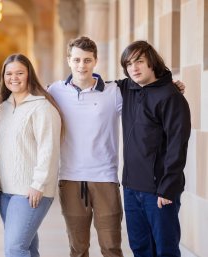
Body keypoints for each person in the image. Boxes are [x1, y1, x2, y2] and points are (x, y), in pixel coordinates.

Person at [48, 36, 123, 257]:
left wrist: (170, 84)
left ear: (95, 61)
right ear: (68, 60)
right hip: (71, 179)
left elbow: (146, 96)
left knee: (111, 247)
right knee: (78, 249)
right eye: (77, 60)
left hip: (105, 178)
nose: (82, 65)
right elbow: (22, 95)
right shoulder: (55, 91)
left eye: (87, 60)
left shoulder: (114, 92)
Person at [117, 41, 191, 257]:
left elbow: (178, 145)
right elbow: (93, 86)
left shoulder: (171, 96)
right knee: (140, 248)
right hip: (131, 188)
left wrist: (167, 187)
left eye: (139, 61)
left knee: (165, 250)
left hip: (159, 190)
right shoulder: (127, 89)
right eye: (129, 64)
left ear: (152, 62)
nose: (134, 68)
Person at [0, 53, 62, 257]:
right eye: (9, 73)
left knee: (15, 249)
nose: (14, 77)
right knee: (28, 248)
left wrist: (38, 184)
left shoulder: (42, 107)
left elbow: (49, 149)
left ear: (29, 75)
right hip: (6, 191)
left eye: (20, 73)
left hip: (30, 191)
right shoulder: (3, 107)